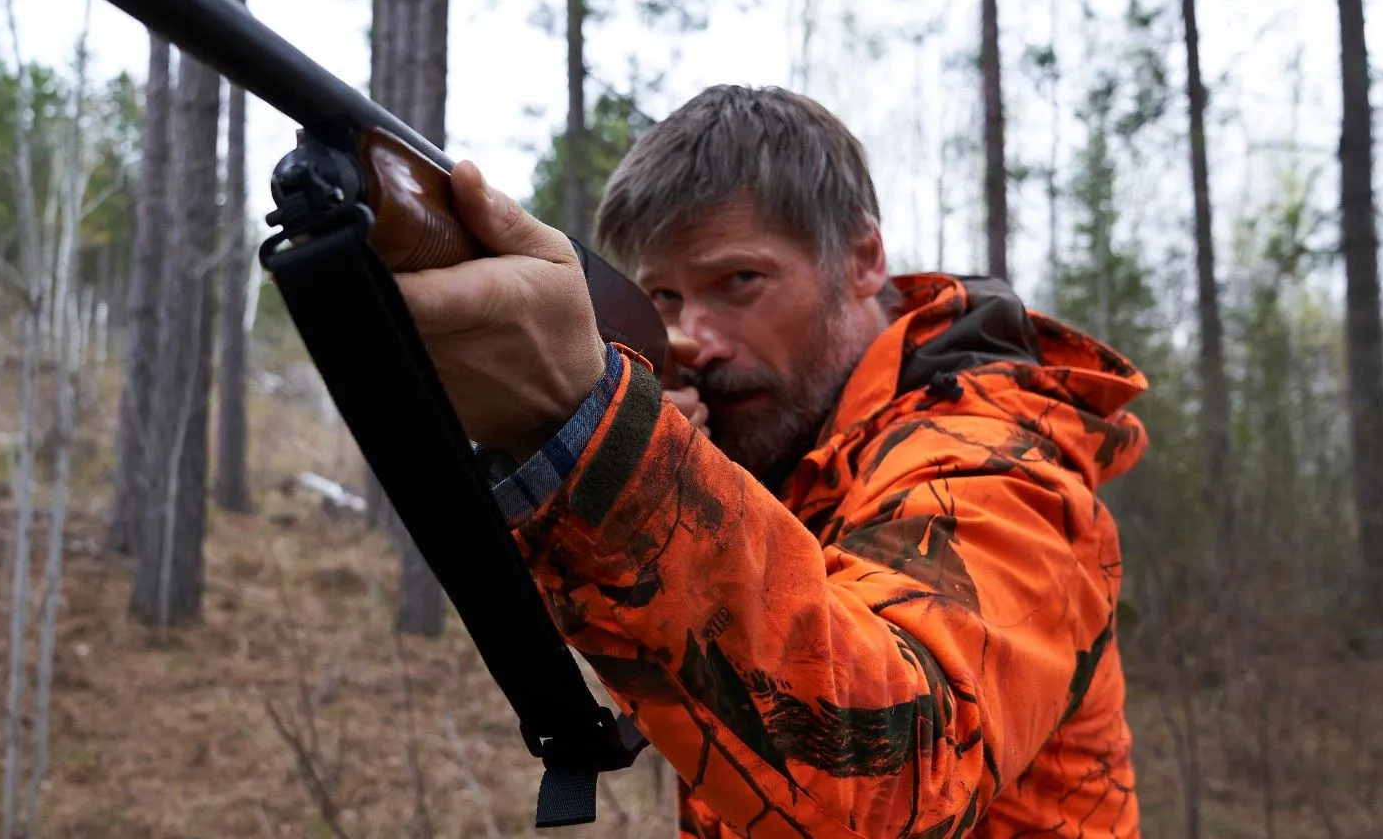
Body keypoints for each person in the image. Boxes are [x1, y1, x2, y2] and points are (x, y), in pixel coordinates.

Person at [395, 85, 1148, 838]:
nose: (698, 338)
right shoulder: (783, 448)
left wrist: (619, 459)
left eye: (739, 283)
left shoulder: (997, 461)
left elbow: (899, 778)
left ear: (863, 259)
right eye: (664, 296)